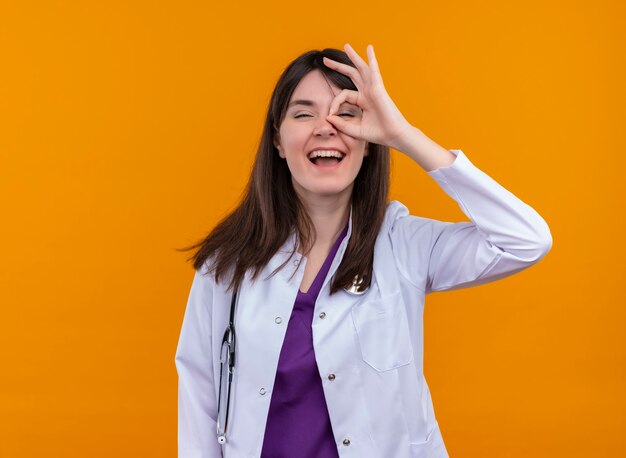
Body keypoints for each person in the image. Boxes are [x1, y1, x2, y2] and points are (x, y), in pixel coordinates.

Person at [175, 43, 552, 458]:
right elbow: (200, 395)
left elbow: (526, 240)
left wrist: (403, 136)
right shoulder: (227, 263)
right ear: (279, 141)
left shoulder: (404, 246)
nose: (325, 127)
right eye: (303, 113)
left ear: (370, 140)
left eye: (347, 113)